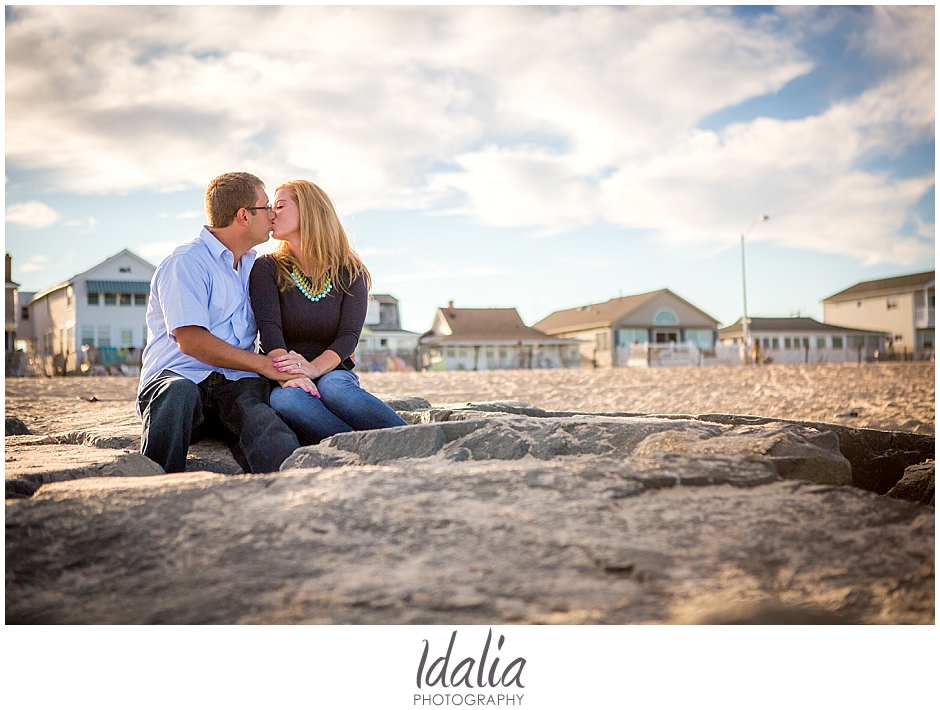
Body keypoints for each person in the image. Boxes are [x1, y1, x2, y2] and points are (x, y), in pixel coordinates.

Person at [137, 172, 302, 474]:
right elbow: (191, 341)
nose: (271, 216)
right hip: (179, 378)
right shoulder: (186, 262)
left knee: (265, 423)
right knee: (178, 394)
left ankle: (297, 491)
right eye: (266, 208)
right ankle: (156, 488)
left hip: (235, 385)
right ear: (243, 216)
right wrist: (262, 364)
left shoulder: (256, 267)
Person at [249, 179, 407, 444]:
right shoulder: (267, 267)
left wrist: (312, 369)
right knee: (288, 401)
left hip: (333, 368)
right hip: (283, 372)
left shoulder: (350, 271)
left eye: (279, 206)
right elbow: (269, 330)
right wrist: (294, 375)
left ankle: (409, 437)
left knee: (335, 389)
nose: (271, 213)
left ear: (309, 211)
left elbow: (348, 336)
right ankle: (360, 445)